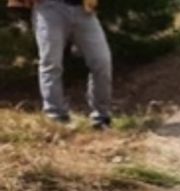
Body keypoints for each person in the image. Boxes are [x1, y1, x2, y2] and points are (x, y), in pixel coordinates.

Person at [7, 0, 112, 128]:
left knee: (102, 61)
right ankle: (56, 117)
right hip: (49, 8)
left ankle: (101, 118)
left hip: (83, 9)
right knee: (51, 63)